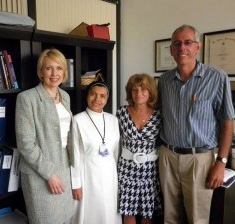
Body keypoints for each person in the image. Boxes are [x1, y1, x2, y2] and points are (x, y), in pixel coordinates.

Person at [157, 24, 235, 224]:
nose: (182, 47)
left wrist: (221, 162)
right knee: (169, 216)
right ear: (172, 50)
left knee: (197, 218)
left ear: (197, 47)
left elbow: (227, 122)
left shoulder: (217, 78)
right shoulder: (164, 81)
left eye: (187, 42)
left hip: (199, 159)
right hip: (168, 157)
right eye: (177, 44)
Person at [15, 48, 74, 224]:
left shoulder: (65, 96)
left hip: (64, 167)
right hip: (40, 172)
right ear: (41, 72)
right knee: (45, 220)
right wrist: (50, 174)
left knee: (65, 218)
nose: (54, 73)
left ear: (64, 72)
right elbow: (26, 144)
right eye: (49, 68)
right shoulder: (27, 98)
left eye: (59, 68)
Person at [70, 81, 122, 224]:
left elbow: (116, 153)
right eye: (93, 94)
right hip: (88, 176)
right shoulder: (77, 120)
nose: (97, 99)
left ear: (107, 99)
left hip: (110, 177)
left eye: (102, 96)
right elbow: (74, 154)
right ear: (87, 96)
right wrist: (76, 184)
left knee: (109, 213)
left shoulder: (113, 120)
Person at [117, 74, 162, 224]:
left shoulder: (159, 115)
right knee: (128, 212)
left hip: (149, 170)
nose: (138, 94)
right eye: (134, 90)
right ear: (130, 92)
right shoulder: (121, 113)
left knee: (147, 214)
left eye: (143, 90)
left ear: (150, 92)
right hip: (126, 169)